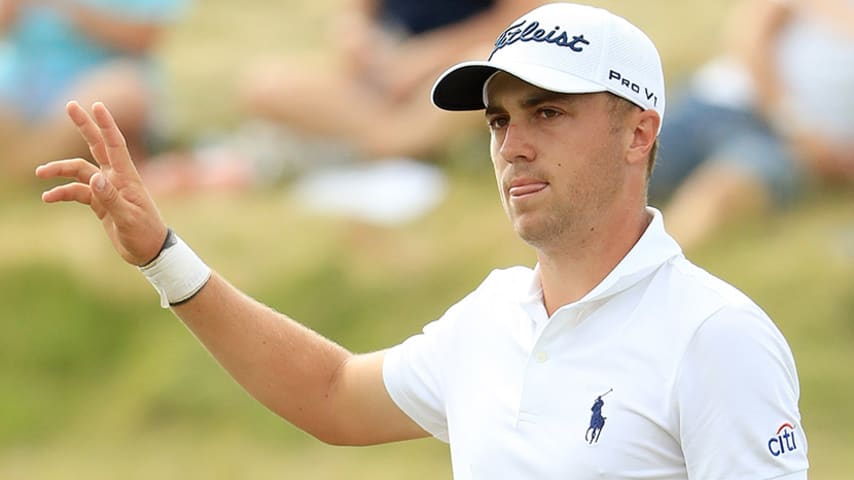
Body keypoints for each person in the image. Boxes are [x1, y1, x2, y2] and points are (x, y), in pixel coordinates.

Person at [36, 3, 810, 478]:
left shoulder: (714, 336)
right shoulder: (491, 315)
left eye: (548, 113)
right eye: (500, 119)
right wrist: (163, 256)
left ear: (639, 133)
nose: (511, 145)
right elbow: (332, 396)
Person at [140, 0, 540, 194]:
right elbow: (354, 16)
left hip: (455, 68)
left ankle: (387, 143)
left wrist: (421, 61)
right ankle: (394, 143)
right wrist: (358, 43)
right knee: (266, 85)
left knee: (492, 65)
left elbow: (521, 21)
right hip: (382, 73)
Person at [649, 0, 854, 249]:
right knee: (618, 168)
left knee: (722, 196)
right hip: (722, 104)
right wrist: (794, 123)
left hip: (784, 148)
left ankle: (642, 265)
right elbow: (751, 36)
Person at [0, 0, 184, 180]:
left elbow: (142, 36)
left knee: (122, 96)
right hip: (22, 88)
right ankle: (37, 163)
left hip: (102, 82)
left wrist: (70, 7)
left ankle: (32, 165)